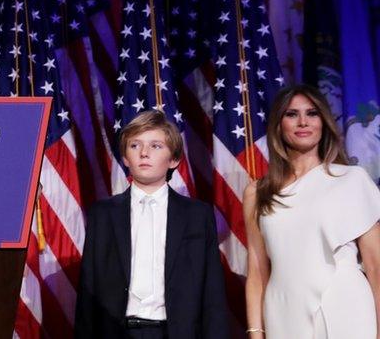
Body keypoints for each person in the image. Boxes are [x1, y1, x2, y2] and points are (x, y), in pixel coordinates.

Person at [76, 110, 227, 338]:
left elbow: (212, 291)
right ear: (125, 157)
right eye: (135, 146)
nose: (144, 153)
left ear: (174, 159)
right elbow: (89, 290)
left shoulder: (197, 215)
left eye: (156, 146)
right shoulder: (103, 214)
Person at [244, 84, 380, 338]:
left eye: (312, 113)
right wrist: (255, 332)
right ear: (278, 125)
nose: (303, 122)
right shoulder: (257, 192)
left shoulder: (352, 179)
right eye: (292, 114)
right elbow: (256, 272)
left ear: (324, 122)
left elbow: (376, 265)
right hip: (283, 312)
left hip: (345, 306)